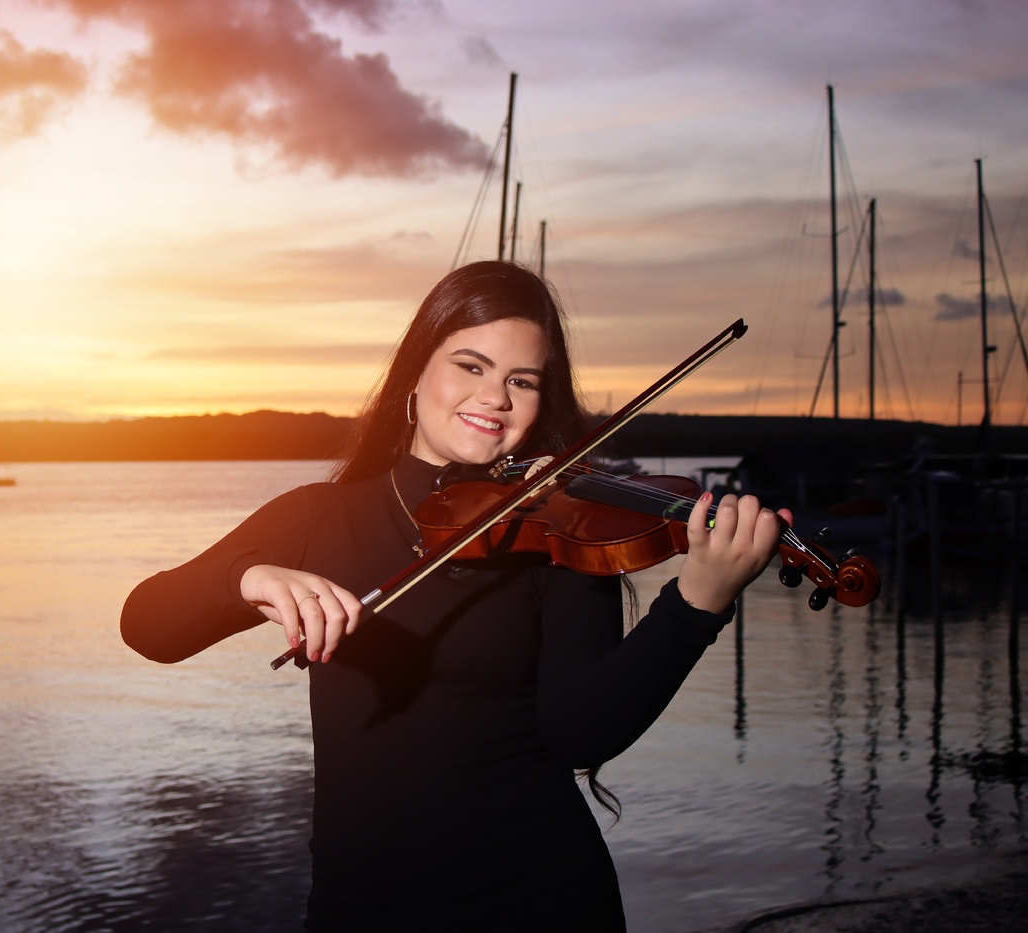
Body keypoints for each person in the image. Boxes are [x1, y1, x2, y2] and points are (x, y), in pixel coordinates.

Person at [120, 260, 790, 931]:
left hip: (540, 904)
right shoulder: (318, 517)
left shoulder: (559, 527)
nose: (494, 396)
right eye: (471, 366)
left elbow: (582, 733)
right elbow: (148, 626)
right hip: (360, 910)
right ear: (416, 374)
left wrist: (697, 602)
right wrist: (247, 577)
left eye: (521, 380)